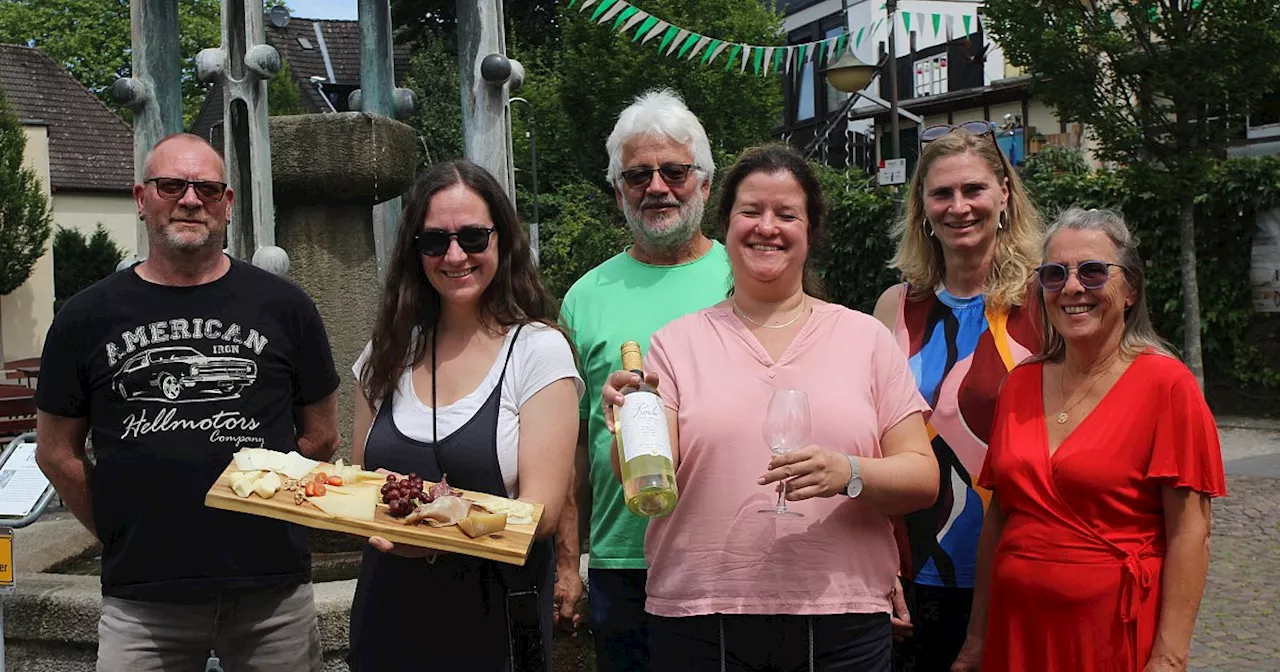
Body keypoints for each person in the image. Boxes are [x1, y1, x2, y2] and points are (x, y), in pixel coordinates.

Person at [600, 144, 939, 671]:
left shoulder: (865, 339)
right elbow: (644, 481)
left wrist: (849, 472)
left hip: (841, 618)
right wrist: (628, 420)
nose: (767, 227)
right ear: (726, 225)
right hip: (701, 618)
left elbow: (922, 477)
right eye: (751, 212)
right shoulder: (674, 344)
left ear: (811, 230)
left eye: (787, 214)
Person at [34, 132, 341, 671]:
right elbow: (56, 451)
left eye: (207, 188)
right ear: (141, 198)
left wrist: (274, 510)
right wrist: (115, 528)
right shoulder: (86, 318)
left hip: (270, 590)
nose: (190, 199)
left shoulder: (285, 307)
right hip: (142, 599)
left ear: (228, 203)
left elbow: (321, 435)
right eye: (171, 185)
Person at [952, 208, 1227, 672]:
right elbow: (1000, 518)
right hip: (1016, 631)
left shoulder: (1167, 386)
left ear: (1130, 290)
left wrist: (1169, 658)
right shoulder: (1020, 383)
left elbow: (1190, 533)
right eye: (1055, 275)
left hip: (1110, 636)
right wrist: (976, 638)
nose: (1073, 288)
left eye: (1093, 271)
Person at [347, 160, 582, 671]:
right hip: (387, 621)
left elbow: (539, 511)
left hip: (492, 625)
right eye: (435, 242)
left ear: (502, 240)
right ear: (416, 252)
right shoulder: (385, 354)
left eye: (473, 237)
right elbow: (359, 484)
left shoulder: (538, 352)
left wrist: (428, 537)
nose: (455, 255)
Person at [553, 88, 732, 671]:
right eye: (637, 176)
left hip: (731, 557)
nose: (657, 187)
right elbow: (573, 447)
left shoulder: (747, 276)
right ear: (618, 192)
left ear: (705, 183)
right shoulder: (585, 297)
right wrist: (567, 562)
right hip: (621, 564)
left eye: (675, 171)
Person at [871, 122, 1042, 672]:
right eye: (942, 193)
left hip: (1018, 564)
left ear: (1004, 196)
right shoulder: (894, 307)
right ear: (922, 207)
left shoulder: (1045, 302)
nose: (959, 206)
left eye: (974, 190)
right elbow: (874, 439)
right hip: (912, 566)